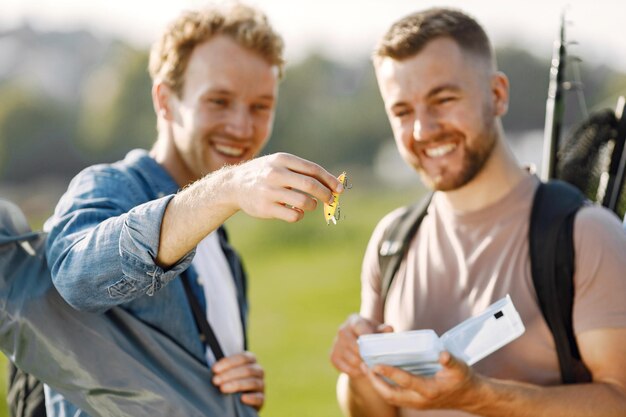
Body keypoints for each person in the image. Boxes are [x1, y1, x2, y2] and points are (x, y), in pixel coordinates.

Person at [43, 3, 344, 417]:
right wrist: (228, 188)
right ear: (165, 101)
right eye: (219, 101)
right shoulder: (109, 186)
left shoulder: (220, 241)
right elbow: (74, 280)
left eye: (260, 107)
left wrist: (235, 389)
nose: (241, 128)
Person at [330, 7, 626, 417]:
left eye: (443, 99)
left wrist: (477, 396)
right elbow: (373, 413)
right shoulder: (392, 239)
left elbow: (619, 401)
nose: (423, 130)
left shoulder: (587, 236)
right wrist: (359, 371)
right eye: (402, 112)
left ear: (497, 94)